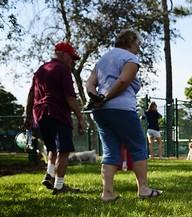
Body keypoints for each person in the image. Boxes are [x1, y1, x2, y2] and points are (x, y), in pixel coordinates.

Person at [86, 29, 162, 201]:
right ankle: (143, 189)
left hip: (100, 112)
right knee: (137, 147)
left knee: (110, 150)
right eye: (138, 45)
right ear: (131, 43)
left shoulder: (103, 59)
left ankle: (107, 193)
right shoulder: (130, 58)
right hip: (122, 109)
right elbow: (123, 81)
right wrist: (105, 98)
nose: (138, 49)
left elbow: (89, 83)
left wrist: (96, 97)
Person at [23, 41, 84, 195]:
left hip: (40, 114)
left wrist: (28, 115)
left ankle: (49, 175)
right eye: (71, 57)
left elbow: (31, 94)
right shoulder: (63, 70)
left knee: (52, 148)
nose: (72, 62)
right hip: (58, 113)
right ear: (62, 54)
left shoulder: (40, 70)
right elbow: (70, 98)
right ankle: (59, 186)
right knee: (64, 150)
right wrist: (80, 118)